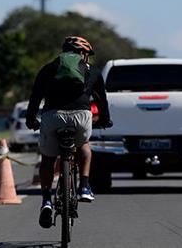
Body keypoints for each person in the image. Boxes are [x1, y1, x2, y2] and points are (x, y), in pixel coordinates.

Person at [25, 35, 112, 229]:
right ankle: (84, 186)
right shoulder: (93, 72)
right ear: (83, 53)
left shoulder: (48, 69)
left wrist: (31, 120)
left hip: (52, 117)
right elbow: (101, 101)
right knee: (84, 146)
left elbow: (35, 97)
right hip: (81, 117)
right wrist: (105, 119)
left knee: (48, 159)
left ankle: (46, 200)